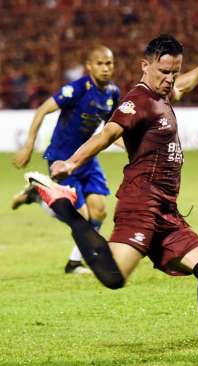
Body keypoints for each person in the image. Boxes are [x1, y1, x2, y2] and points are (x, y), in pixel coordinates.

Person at [24, 33, 198, 360]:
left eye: (174, 72)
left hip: (167, 212)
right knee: (112, 278)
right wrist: (72, 162)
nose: (170, 79)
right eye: (164, 72)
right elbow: (108, 134)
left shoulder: (163, 95)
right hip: (141, 205)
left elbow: (186, 85)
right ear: (145, 66)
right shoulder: (136, 100)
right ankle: (62, 204)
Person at [12, 46, 121, 274]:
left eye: (109, 63)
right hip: (62, 159)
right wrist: (28, 145)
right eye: (99, 63)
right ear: (89, 66)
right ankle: (39, 197)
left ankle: (74, 263)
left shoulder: (112, 93)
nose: (105, 68)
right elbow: (42, 110)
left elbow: (112, 131)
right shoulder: (77, 89)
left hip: (86, 158)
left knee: (99, 211)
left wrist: (135, 147)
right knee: (80, 217)